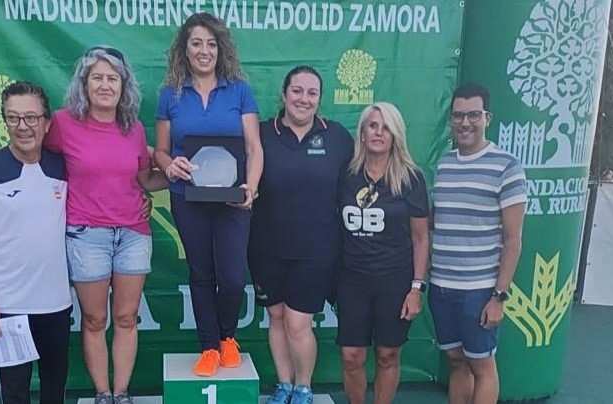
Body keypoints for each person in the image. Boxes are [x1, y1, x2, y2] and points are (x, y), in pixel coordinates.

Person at [0, 46, 167, 404]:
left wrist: (177, 175)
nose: (105, 85)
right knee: (94, 320)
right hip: (86, 237)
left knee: (126, 317)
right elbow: (23, 147)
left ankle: (121, 394)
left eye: (113, 78)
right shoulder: (62, 124)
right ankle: (102, 394)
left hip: (132, 235)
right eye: (97, 77)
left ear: (124, 85)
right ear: (84, 84)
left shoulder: (133, 129)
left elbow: (142, 176)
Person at [153, 12, 263, 377]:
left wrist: (251, 187)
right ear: (184, 49)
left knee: (232, 277)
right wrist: (169, 165)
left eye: (211, 44)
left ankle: (228, 337)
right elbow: (161, 151)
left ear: (221, 49)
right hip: (188, 197)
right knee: (201, 273)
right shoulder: (170, 94)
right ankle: (209, 347)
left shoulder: (239, 90)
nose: (204, 51)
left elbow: (254, 146)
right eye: (197, 43)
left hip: (233, 198)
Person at [248, 66, 354, 404]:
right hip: (266, 247)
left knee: (297, 323)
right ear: (284, 94)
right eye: (297, 91)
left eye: (312, 93)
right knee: (276, 317)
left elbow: (356, 185)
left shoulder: (337, 137)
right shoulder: (262, 133)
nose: (303, 99)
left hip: (316, 250)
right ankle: (284, 385)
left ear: (320, 99)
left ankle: (304, 387)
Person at [0, 81, 72, 404]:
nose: (23, 126)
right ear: (5, 122)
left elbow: (107, 182)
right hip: (7, 308)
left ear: (47, 123)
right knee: (14, 396)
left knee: (54, 392)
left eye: (31, 117)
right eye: (13, 118)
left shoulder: (63, 166)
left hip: (56, 305)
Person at [429, 83, 526, 404]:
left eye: (473, 115)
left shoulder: (507, 166)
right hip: (441, 287)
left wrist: (499, 296)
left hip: (480, 291)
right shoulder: (444, 164)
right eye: (458, 115)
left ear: (487, 118)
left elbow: (513, 240)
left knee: (483, 367)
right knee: (456, 361)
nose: (465, 122)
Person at [337, 102, 429, 404]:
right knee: (351, 356)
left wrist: (416, 288)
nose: (379, 132)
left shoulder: (411, 178)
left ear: (396, 135)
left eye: (386, 127)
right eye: (373, 126)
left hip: (395, 280)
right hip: (352, 279)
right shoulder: (346, 174)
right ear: (362, 133)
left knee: (388, 355)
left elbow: (420, 238)